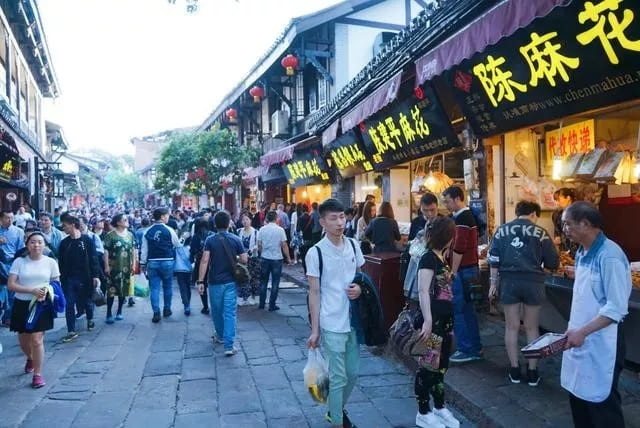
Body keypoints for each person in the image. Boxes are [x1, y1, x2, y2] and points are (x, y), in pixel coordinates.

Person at [561, 202, 631, 428]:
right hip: (580, 338)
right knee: (579, 398)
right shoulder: (582, 251)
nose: (565, 229)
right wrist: (576, 331)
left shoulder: (610, 255)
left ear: (585, 224)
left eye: (568, 224)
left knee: (603, 405)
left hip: (603, 342)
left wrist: (583, 331)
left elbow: (616, 308)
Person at [306, 198, 364, 428]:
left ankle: (334, 409)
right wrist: (315, 330)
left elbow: (361, 277)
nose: (340, 222)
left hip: (353, 320)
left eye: (342, 217)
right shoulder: (315, 253)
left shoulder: (352, 244)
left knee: (352, 374)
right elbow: (314, 292)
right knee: (338, 377)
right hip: (331, 321)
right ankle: (337, 422)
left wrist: (360, 288)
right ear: (323, 222)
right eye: (334, 218)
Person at [488, 201, 559, 386]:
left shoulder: (501, 230)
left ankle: (514, 370)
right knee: (531, 327)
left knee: (511, 326)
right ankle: (533, 372)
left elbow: (493, 258)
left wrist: (493, 283)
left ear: (517, 213)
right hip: (533, 283)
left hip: (509, 282)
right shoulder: (541, 233)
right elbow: (552, 261)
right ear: (534, 214)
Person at [413, 216, 460, 428]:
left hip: (445, 321)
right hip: (432, 322)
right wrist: (428, 321)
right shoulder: (428, 258)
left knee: (441, 367)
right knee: (427, 367)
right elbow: (422, 290)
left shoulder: (441, 256)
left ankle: (439, 407)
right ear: (448, 237)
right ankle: (423, 411)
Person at [7, 231, 61, 388]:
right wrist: (31, 290)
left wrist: (48, 291)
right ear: (27, 244)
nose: (36, 245)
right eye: (32, 242)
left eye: (39, 242)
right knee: (24, 339)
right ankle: (30, 357)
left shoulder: (51, 262)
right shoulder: (19, 262)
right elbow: (11, 285)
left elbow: (56, 283)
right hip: (22, 304)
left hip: (41, 305)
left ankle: (37, 374)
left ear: (44, 245)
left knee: (37, 339)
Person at [196, 211, 247, 355]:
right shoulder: (236, 239)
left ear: (215, 224)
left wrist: (201, 281)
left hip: (214, 281)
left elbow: (205, 260)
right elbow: (244, 259)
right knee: (230, 313)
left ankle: (220, 336)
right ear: (229, 222)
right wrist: (234, 257)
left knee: (217, 311)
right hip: (230, 281)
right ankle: (229, 346)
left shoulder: (210, 240)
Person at [442, 186, 482, 363]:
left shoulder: (463, 218)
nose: (446, 204)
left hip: (464, 270)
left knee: (458, 310)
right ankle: (475, 347)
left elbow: (459, 247)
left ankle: (466, 349)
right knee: (468, 311)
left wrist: (453, 271)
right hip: (470, 269)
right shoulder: (459, 217)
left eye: (448, 201)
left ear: (458, 199)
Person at [59, 215, 101, 343]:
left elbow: (94, 259)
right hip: (69, 279)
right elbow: (61, 262)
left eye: (65, 225)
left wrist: (96, 276)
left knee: (87, 302)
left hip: (85, 278)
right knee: (69, 304)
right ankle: (71, 330)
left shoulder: (87, 240)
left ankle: (90, 319)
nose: (63, 227)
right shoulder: (64, 243)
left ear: (72, 224)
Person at [140, 207, 180, 323]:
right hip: (167, 261)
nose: (168, 217)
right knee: (167, 286)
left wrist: (143, 263)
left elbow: (144, 249)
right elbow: (177, 244)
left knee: (155, 288)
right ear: (162, 217)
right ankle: (167, 309)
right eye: (167, 215)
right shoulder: (169, 230)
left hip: (152, 262)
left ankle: (156, 312)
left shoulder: (147, 231)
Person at [103, 214, 137, 324]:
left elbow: (133, 250)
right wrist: (106, 266)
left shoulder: (130, 235)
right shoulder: (110, 235)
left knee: (123, 289)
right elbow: (106, 251)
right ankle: (109, 313)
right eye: (125, 220)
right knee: (111, 290)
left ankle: (119, 311)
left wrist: (134, 264)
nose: (127, 221)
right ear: (118, 222)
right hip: (113, 266)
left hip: (126, 266)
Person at [257, 211, 292, 311]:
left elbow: (259, 244)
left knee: (263, 281)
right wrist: (288, 258)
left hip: (265, 257)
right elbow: (284, 245)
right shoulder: (280, 230)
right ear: (276, 218)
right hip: (277, 258)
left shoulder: (262, 229)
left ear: (267, 218)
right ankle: (272, 304)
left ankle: (262, 303)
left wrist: (262, 252)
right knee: (275, 282)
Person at [0, 211, 25, 326]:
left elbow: (21, 250)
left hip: (12, 264)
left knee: (11, 291)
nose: (9, 220)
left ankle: (8, 317)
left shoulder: (19, 232)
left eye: (11, 218)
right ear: (1, 219)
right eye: (7, 218)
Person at [190, 217, 212, 315]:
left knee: (202, 283)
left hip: (200, 262)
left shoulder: (196, 236)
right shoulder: (212, 235)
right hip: (212, 262)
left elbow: (192, 250)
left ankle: (205, 306)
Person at [237, 213, 259, 306]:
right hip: (241, 259)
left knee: (253, 278)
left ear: (250, 220)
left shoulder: (255, 232)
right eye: (243, 220)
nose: (245, 221)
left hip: (252, 259)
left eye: (247, 219)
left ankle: (253, 296)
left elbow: (258, 244)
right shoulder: (239, 231)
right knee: (242, 278)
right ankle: (243, 297)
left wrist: (254, 248)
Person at [552, 188, 578, 255]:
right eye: (555, 200)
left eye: (559, 199)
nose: (557, 203)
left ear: (568, 198)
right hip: (564, 251)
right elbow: (557, 232)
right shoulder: (556, 214)